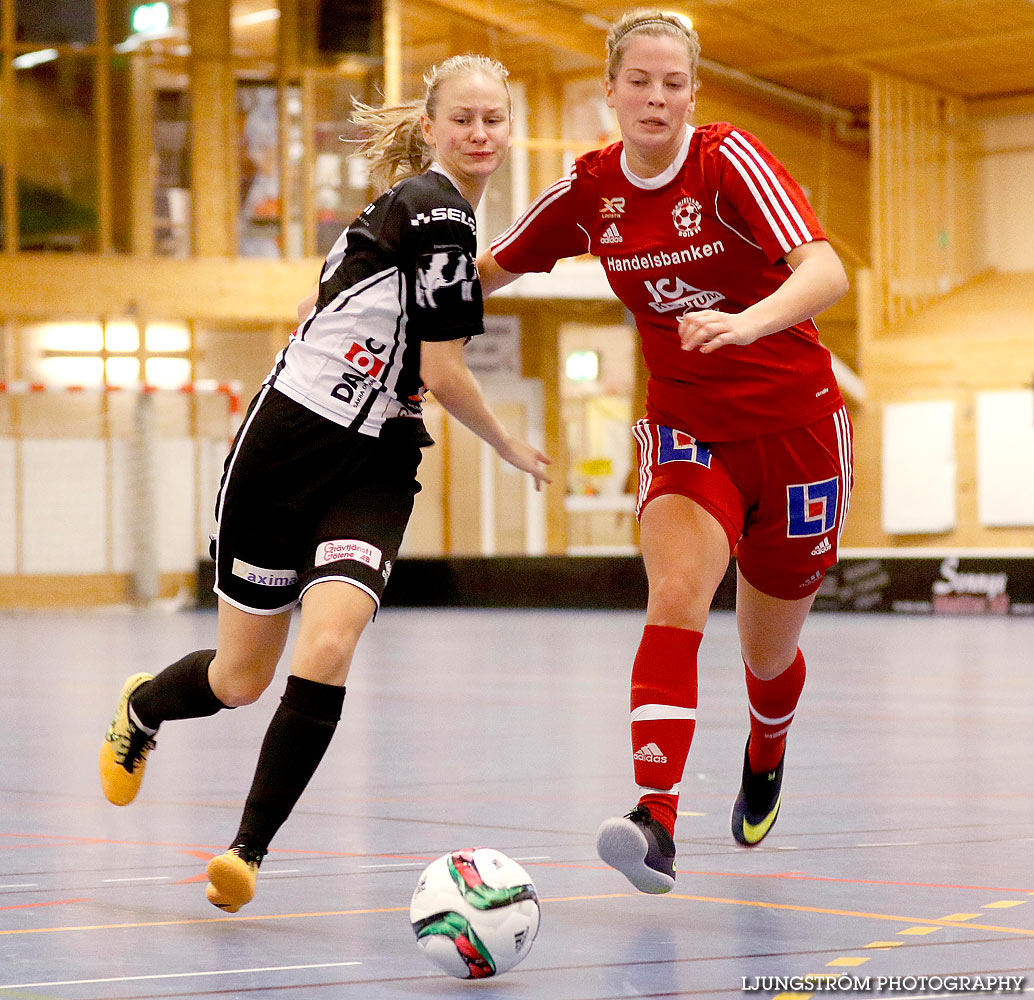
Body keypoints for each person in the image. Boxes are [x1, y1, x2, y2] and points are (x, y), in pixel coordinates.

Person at [98, 54, 550, 914]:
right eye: (464, 118)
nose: (481, 132)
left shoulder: (445, 226)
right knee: (238, 680)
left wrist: (533, 254)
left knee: (331, 642)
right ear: (431, 128)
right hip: (285, 445)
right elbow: (446, 370)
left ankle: (247, 853)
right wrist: (509, 445)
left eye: (495, 118)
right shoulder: (434, 206)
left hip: (377, 460)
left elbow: (442, 300)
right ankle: (144, 709)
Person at [477, 9, 852, 894]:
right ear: (608, 90)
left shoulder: (730, 161)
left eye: (673, 83)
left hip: (797, 435)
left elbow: (828, 273)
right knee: (676, 593)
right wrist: (394, 294)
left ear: (693, 93)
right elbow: (493, 266)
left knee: (767, 655)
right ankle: (656, 819)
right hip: (686, 427)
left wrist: (744, 323)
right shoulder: (589, 189)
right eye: (638, 81)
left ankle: (766, 745)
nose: (655, 98)